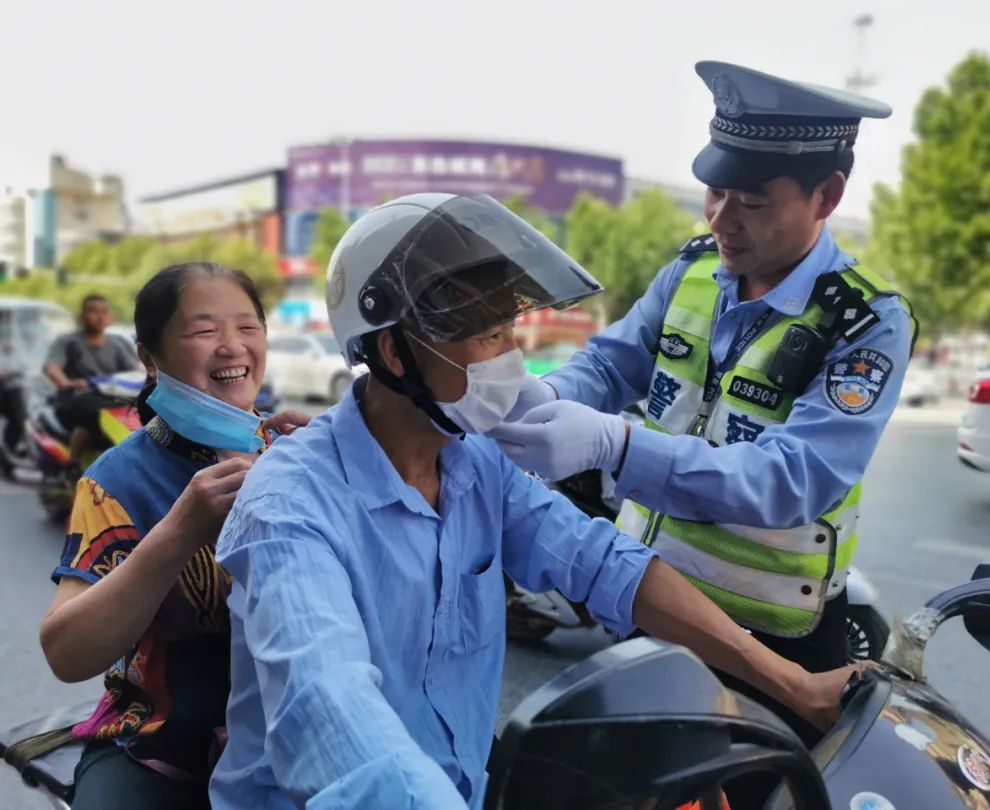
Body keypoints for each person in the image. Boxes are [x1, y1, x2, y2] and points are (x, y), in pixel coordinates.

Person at [210, 193, 865, 810]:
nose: (513, 361)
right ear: (394, 352)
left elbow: (605, 564)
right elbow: (334, 714)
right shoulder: (290, 509)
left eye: (510, 331)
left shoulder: (474, 461)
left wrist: (794, 685)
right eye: (489, 337)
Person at [490, 62, 917, 748]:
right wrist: (550, 398)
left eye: (752, 202)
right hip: (648, 601)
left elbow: (793, 480)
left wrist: (616, 445)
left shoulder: (864, 323)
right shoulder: (691, 272)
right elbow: (611, 362)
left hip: (773, 635)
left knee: (754, 787)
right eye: (715, 193)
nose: (722, 219)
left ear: (828, 195)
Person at [39, 263, 308, 810]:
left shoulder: (299, 454)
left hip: (300, 734)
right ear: (149, 357)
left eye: (248, 327)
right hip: (158, 748)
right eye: (204, 330)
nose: (232, 346)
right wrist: (178, 534)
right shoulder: (116, 482)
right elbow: (66, 653)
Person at [43, 294, 141, 467]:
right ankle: (72, 467)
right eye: (93, 311)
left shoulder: (118, 343)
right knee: (90, 419)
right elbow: (52, 367)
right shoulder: (68, 342)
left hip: (112, 399)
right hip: (77, 399)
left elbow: (136, 371)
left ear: (110, 317)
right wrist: (65, 382)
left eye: (104, 312)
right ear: (81, 316)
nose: (99, 316)